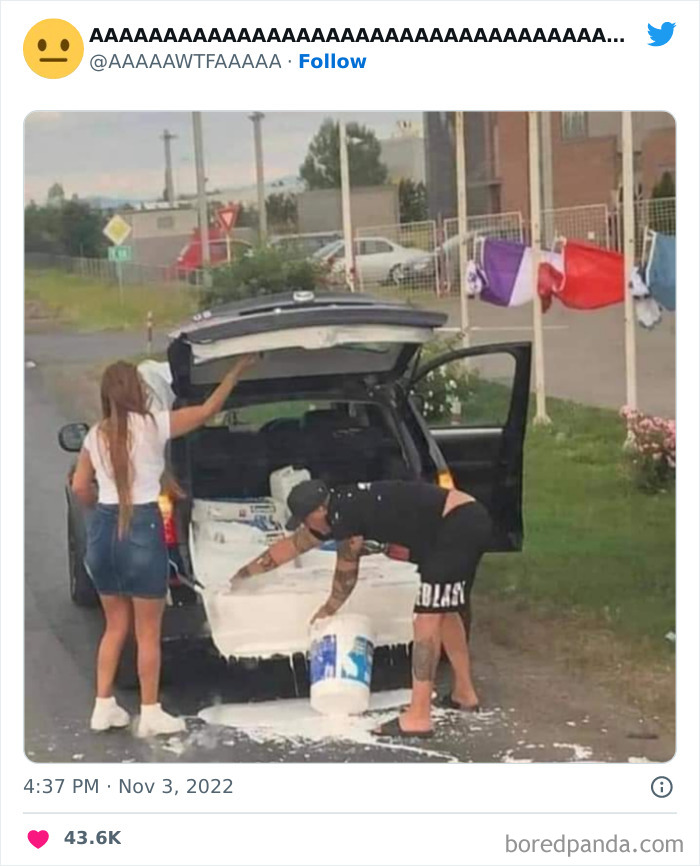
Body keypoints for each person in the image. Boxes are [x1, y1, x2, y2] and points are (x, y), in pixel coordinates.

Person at [72, 354, 256, 736]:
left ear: (106, 394)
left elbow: (78, 487)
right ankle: (151, 712)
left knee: (114, 627)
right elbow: (206, 411)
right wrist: (235, 372)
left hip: (105, 529)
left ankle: (102, 706)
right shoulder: (154, 425)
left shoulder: (94, 435)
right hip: (141, 527)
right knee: (147, 633)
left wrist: (97, 505)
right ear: (137, 391)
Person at [229, 479, 492, 738]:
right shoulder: (337, 508)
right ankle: (464, 693)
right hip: (458, 522)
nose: (304, 526)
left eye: (305, 519)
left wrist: (328, 609)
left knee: (425, 621)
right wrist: (242, 576)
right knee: (443, 611)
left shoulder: (345, 516)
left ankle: (419, 717)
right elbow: (291, 546)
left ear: (319, 511)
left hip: (458, 524)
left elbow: (346, 575)